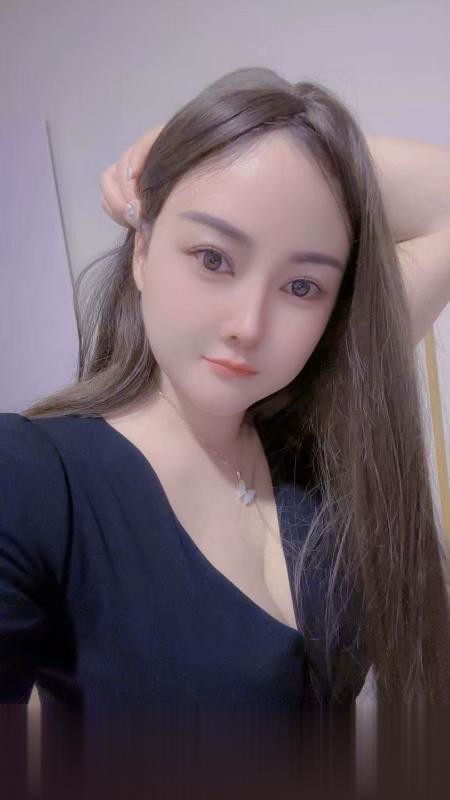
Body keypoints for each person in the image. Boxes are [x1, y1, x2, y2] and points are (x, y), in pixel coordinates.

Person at [1, 67, 450, 729]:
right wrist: (200, 160)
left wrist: (262, 148)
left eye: (302, 286)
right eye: (213, 258)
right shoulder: (34, 477)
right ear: (143, 250)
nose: (249, 324)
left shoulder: (308, 430)